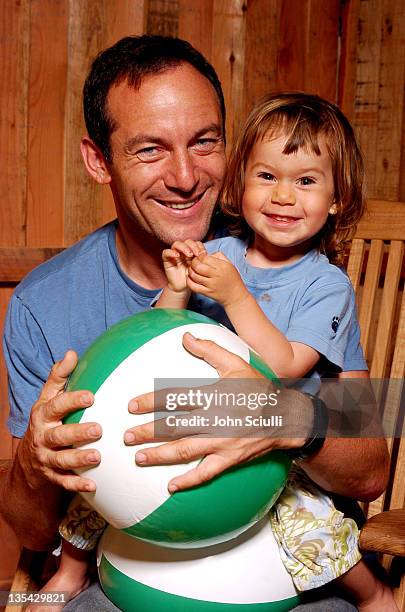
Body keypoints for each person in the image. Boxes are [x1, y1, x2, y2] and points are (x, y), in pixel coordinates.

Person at [0, 36, 388, 611]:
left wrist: (288, 420)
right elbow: (32, 534)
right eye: (150, 150)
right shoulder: (45, 302)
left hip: (286, 571)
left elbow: (371, 469)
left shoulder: (292, 262)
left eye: (204, 142)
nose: (184, 176)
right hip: (129, 573)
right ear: (98, 160)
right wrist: (35, 462)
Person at [152, 93, 396, 610]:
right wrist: (175, 286)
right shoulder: (218, 254)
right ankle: (68, 572)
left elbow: (285, 368)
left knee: (311, 529)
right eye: (266, 177)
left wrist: (235, 295)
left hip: (286, 461)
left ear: (336, 199)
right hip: (204, 429)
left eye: (306, 180)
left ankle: (371, 592)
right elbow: (160, 338)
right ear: (239, 187)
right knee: (101, 490)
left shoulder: (325, 286)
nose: (283, 195)